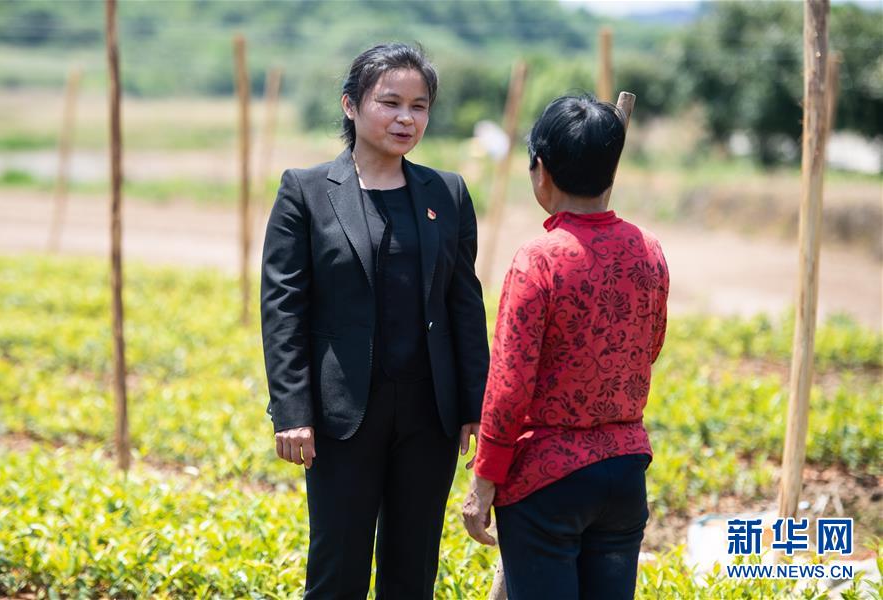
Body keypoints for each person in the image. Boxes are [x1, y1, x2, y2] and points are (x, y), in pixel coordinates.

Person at [260, 43, 489, 599]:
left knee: (412, 571)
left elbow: (464, 303)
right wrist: (292, 411)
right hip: (343, 416)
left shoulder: (447, 193)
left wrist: (472, 406)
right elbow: (282, 306)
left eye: (419, 105)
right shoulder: (306, 191)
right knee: (337, 567)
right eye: (389, 102)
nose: (406, 118)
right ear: (350, 106)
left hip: (427, 414)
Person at [462, 94, 669, 599]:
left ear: (542, 171)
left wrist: (485, 479)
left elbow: (509, 383)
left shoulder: (540, 260)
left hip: (548, 481)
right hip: (624, 472)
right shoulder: (648, 250)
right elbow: (650, 346)